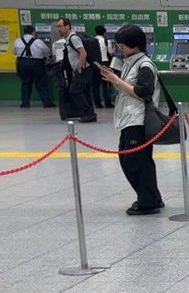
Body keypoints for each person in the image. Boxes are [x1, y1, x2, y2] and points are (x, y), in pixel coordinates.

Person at [96, 24, 164, 215]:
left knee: (135, 162)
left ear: (133, 46)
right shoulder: (131, 62)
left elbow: (144, 92)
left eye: (122, 46)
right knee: (134, 160)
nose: (120, 49)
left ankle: (147, 202)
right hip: (129, 118)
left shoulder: (145, 65)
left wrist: (117, 81)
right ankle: (152, 198)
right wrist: (113, 78)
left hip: (138, 119)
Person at [55, 17, 96, 122]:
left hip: (83, 69)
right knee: (84, 91)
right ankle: (90, 114)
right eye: (57, 27)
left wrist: (79, 67)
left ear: (67, 26)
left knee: (74, 91)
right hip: (83, 69)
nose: (58, 29)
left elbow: (83, 53)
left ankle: (88, 113)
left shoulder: (73, 38)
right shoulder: (69, 38)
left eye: (60, 26)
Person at [12, 25, 53, 108]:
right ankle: (46, 102)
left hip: (22, 62)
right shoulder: (38, 41)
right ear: (33, 32)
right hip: (37, 63)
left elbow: (14, 52)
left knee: (26, 83)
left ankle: (25, 103)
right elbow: (47, 51)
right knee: (41, 83)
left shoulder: (17, 41)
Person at [91, 25, 115, 109]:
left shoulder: (92, 40)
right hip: (104, 64)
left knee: (95, 85)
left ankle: (97, 103)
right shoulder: (106, 41)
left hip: (95, 64)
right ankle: (107, 102)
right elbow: (111, 53)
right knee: (106, 84)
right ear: (104, 32)